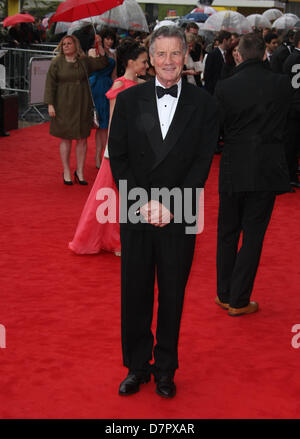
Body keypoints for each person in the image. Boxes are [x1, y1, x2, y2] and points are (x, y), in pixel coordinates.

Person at [108, 26, 219, 398]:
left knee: (172, 295)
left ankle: (166, 368)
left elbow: (202, 162)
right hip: (136, 211)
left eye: (176, 53)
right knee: (135, 293)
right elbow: (119, 158)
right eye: (161, 54)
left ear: (185, 55)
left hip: (180, 211)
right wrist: (142, 202)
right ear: (150, 59)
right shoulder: (127, 101)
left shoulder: (205, 104)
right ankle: (137, 367)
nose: (168, 61)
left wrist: (170, 205)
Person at [214, 33, 293, 317]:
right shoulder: (282, 84)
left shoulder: (225, 87)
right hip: (267, 167)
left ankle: (224, 294)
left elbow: (216, 130)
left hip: (234, 165)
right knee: (253, 235)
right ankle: (239, 299)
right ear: (264, 55)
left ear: (239, 54)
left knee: (227, 232)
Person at [68, 40, 148, 255]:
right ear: (130, 62)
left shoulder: (142, 85)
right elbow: (113, 122)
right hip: (118, 150)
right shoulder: (119, 86)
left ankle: (122, 238)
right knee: (107, 196)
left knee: (129, 195)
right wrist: (112, 151)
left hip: (138, 148)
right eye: (143, 61)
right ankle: (112, 240)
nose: (146, 66)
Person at [44, 34, 108, 185]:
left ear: (76, 45)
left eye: (69, 43)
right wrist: (50, 104)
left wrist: (100, 46)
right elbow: (49, 84)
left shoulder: (84, 61)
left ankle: (79, 171)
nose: (66, 46)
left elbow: (102, 63)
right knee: (65, 138)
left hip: (82, 103)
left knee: (82, 139)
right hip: (63, 105)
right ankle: (66, 170)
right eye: (64, 44)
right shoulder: (56, 62)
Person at [89, 28, 117, 169]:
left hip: (108, 86)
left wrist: (116, 88)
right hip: (96, 86)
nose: (109, 41)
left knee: (106, 124)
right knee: (100, 124)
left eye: (111, 39)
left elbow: (114, 74)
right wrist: (98, 46)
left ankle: (105, 155)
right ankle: (97, 155)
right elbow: (97, 64)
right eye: (107, 38)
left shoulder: (113, 54)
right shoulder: (93, 51)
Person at [283, 30, 300, 189]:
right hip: (295, 105)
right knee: (292, 144)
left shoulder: (290, 58)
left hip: (291, 105)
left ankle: (291, 172)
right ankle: (290, 174)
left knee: (292, 143)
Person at [203, 30, 231, 94]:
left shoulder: (228, 54)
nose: (230, 43)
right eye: (230, 40)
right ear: (224, 41)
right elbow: (207, 74)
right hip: (214, 90)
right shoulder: (212, 54)